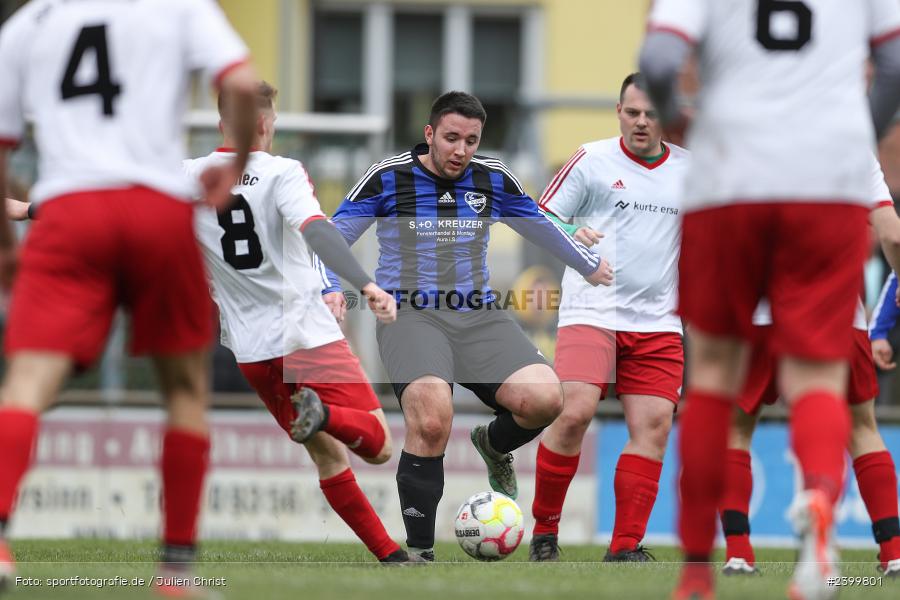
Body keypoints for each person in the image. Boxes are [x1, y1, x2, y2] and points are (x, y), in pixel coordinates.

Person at [640, 0, 900, 598]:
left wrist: (684, 122)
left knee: (712, 383)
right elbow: (893, 60)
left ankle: (700, 572)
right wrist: (857, 129)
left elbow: (658, 56)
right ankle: (818, 505)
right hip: (825, 184)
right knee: (820, 382)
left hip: (731, 176)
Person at [0, 0, 259, 596]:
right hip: (157, 208)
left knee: (26, 385)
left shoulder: (28, 22)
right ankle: (174, 573)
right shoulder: (179, 6)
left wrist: (7, 249)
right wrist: (237, 163)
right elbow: (242, 84)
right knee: (186, 390)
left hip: (67, 212)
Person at [323, 90, 614, 561]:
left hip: (478, 313)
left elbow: (539, 223)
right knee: (433, 419)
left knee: (546, 399)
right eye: (452, 138)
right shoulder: (388, 177)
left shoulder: (492, 178)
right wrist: (330, 288)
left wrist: (587, 264)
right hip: (411, 315)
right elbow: (334, 238)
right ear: (430, 134)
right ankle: (420, 553)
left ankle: (492, 444)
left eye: (472, 140)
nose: (461, 150)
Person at [185, 82, 416, 564]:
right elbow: (314, 230)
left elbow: (122, 204)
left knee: (326, 456)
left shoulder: (189, 176)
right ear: (268, 123)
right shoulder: (281, 172)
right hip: (305, 334)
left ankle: (390, 556)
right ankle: (327, 414)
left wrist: (30, 210)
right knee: (378, 445)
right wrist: (363, 284)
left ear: (221, 124)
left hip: (251, 350)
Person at [529, 73, 689, 563]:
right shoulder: (591, 159)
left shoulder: (692, 170)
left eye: (650, 113)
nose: (641, 122)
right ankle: (544, 533)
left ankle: (625, 547)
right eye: (632, 112)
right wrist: (573, 231)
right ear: (619, 111)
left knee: (655, 425)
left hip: (659, 320)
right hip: (591, 310)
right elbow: (538, 216)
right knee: (574, 410)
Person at [719, 157, 900, 578]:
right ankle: (893, 553)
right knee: (861, 428)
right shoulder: (853, 150)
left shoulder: (751, 141)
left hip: (760, 309)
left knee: (738, 426)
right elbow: (891, 233)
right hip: (837, 312)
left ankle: (739, 553)